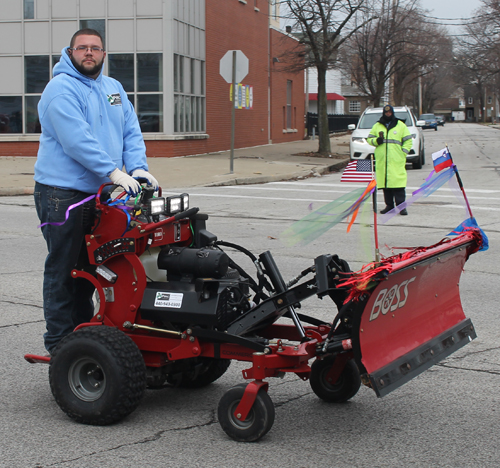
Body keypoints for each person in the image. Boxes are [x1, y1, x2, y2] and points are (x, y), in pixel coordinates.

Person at [34, 28, 158, 355]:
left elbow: (130, 129)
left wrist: (137, 167)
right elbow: (77, 140)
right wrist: (113, 172)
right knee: (65, 271)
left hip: (101, 195)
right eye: (82, 48)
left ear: (104, 54)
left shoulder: (113, 88)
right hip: (63, 195)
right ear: (71, 52)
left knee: (93, 272)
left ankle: (84, 339)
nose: (89, 53)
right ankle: (61, 347)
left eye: (95, 48)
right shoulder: (60, 90)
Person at [367, 105, 412, 216]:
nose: (388, 114)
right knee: (386, 185)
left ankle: (402, 207)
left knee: (398, 185)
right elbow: (369, 139)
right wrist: (376, 141)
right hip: (383, 160)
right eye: (386, 113)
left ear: (392, 113)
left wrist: (403, 152)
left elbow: (408, 140)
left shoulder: (400, 125)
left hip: (396, 159)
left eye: (390, 112)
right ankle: (389, 206)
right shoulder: (377, 126)